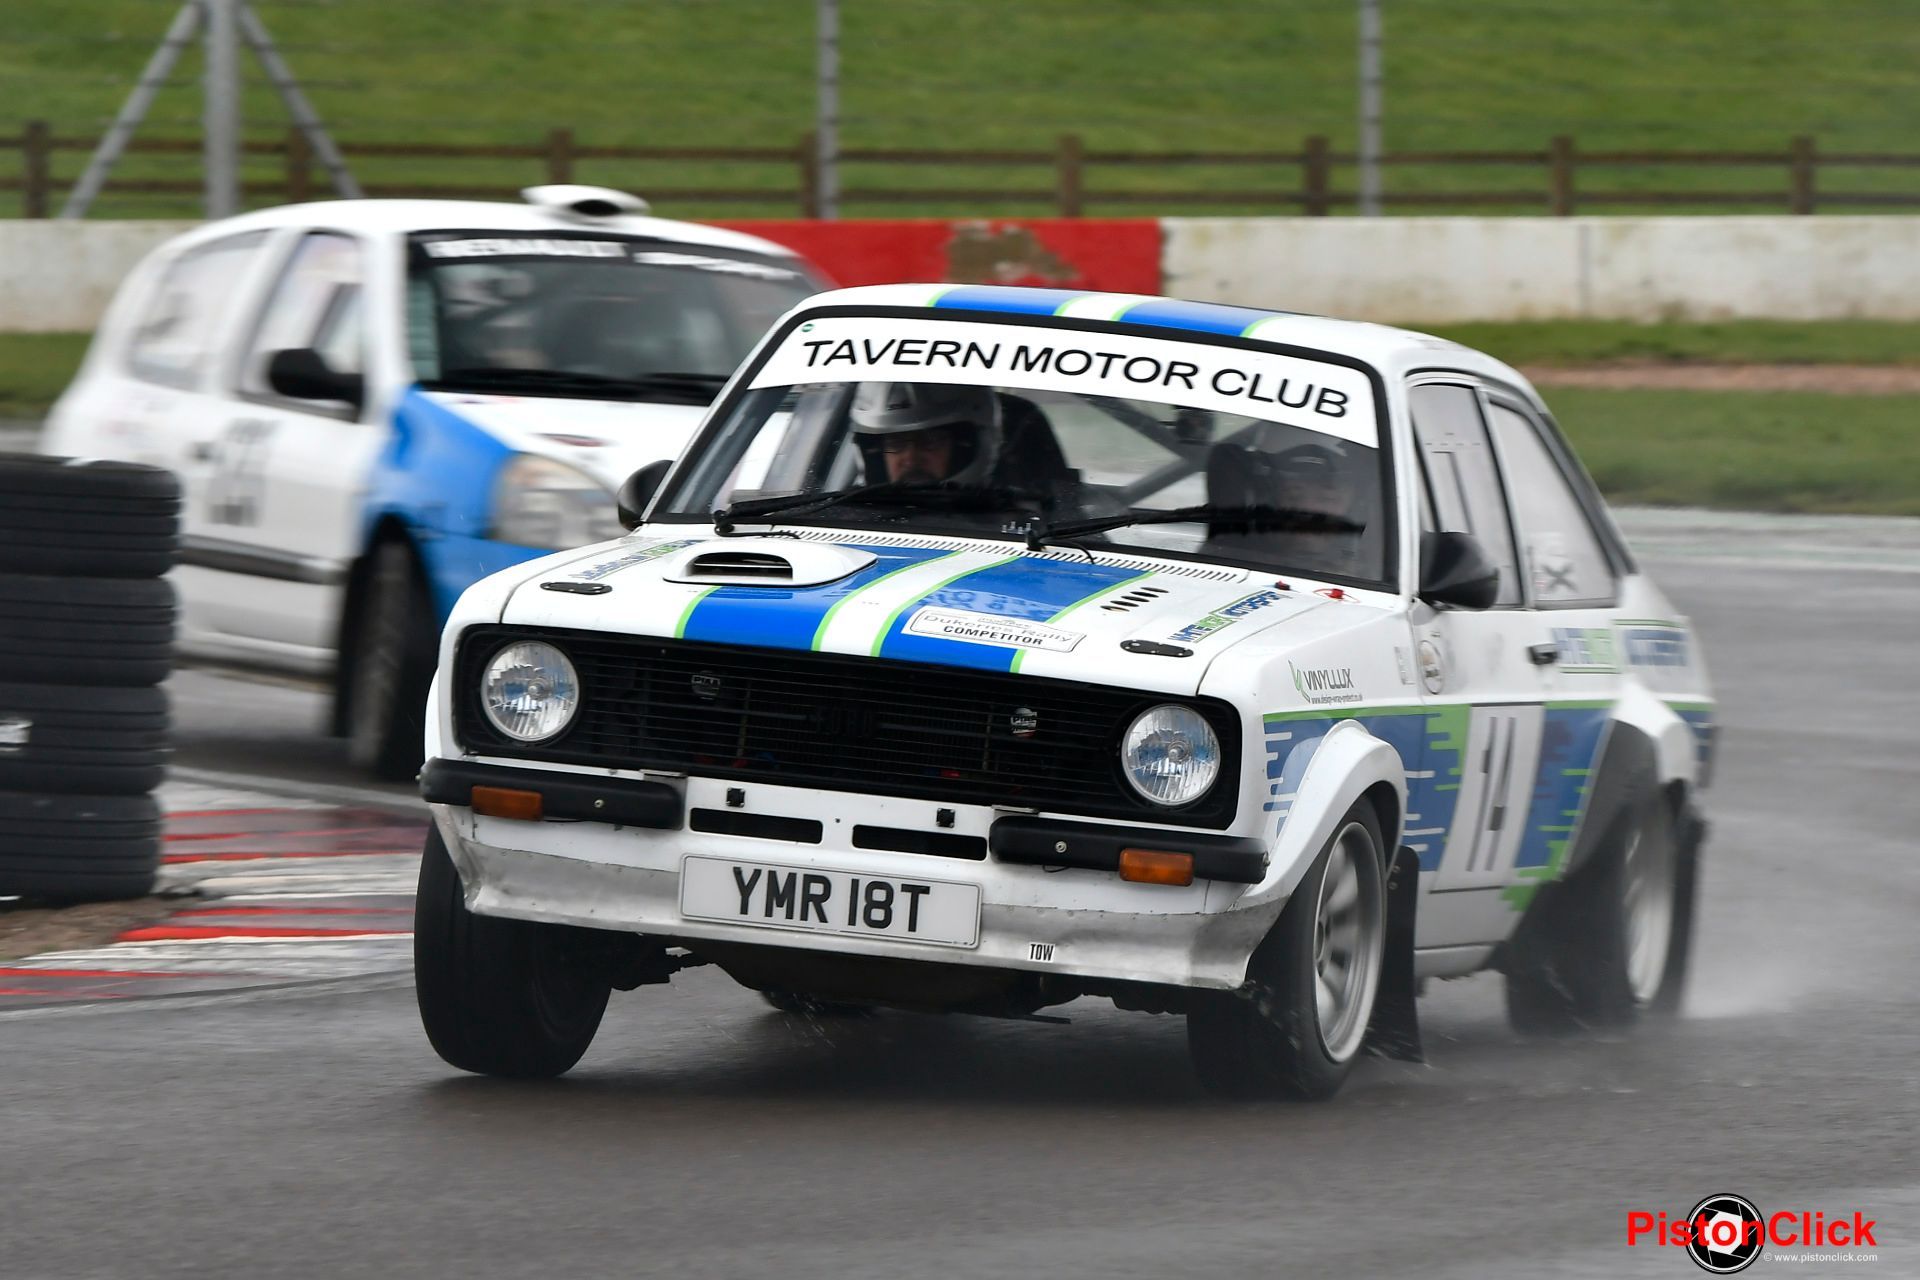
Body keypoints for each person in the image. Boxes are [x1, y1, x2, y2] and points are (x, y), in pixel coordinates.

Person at [848, 382, 1002, 486]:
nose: (910, 458)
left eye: (929, 440)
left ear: (964, 446)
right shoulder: (849, 514)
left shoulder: (1005, 519)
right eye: (896, 443)